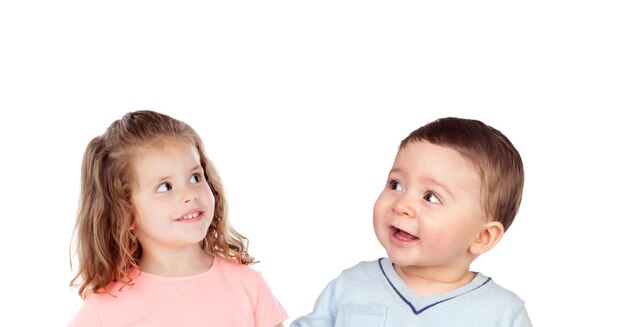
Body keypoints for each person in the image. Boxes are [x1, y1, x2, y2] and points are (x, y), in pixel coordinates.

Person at [292, 117, 532, 326]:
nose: (402, 205)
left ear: (483, 236)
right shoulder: (350, 286)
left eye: (431, 197)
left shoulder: (502, 314)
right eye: (396, 184)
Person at [69, 110, 287, 327]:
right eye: (165, 187)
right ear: (125, 213)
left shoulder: (248, 286)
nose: (190, 194)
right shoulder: (105, 309)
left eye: (195, 177)